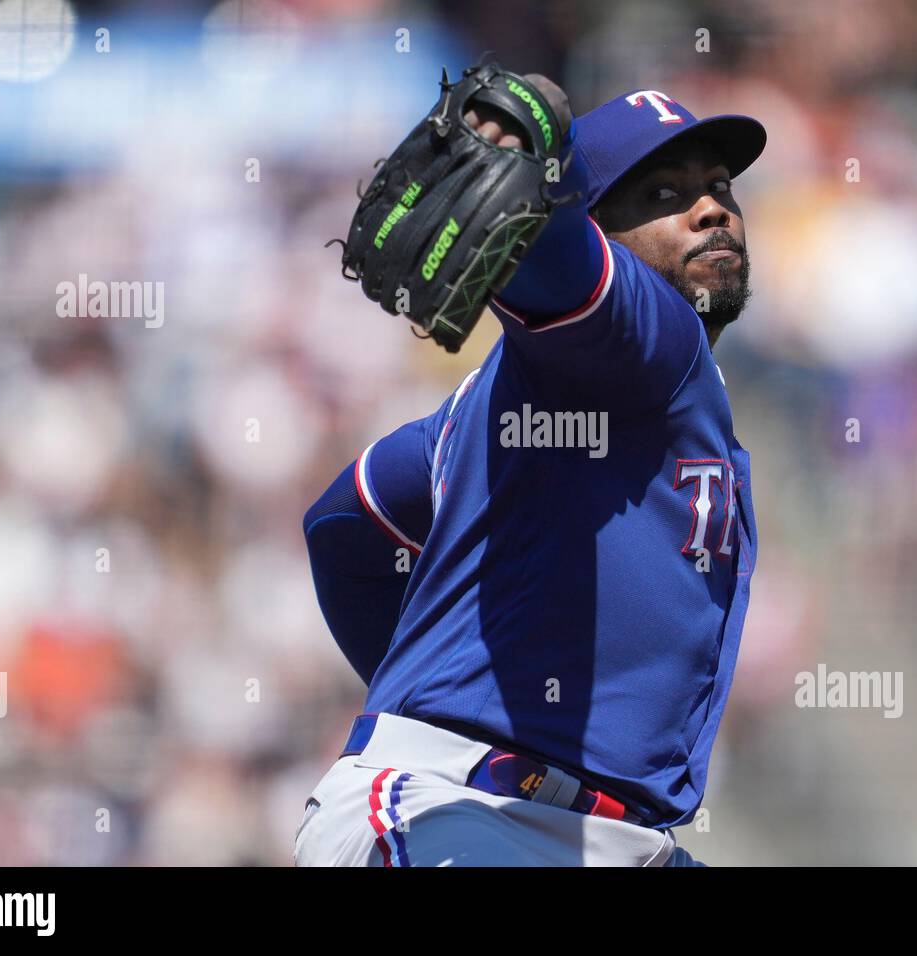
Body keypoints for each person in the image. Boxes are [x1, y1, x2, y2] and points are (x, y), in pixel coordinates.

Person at [294, 73, 765, 866]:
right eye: (661, 191)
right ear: (603, 229)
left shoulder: (478, 418)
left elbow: (347, 526)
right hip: (467, 812)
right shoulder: (654, 335)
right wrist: (541, 197)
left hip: (607, 838)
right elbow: (566, 266)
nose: (711, 207)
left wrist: (446, 675)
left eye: (718, 185)